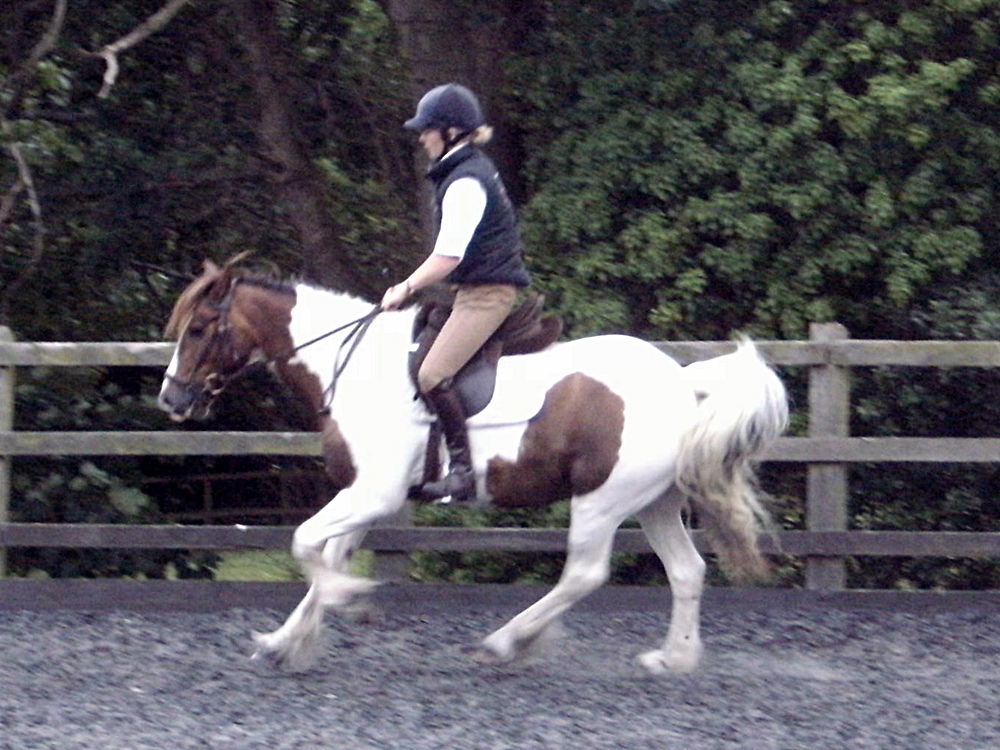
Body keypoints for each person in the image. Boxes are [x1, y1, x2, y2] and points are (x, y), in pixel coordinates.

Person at [382, 83, 531, 503]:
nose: (421, 138)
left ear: (450, 132)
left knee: (432, 374)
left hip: (487, 296)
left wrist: (405, 287)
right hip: (469, 293)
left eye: (426, 130)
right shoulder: (463, 170)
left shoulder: (465, 181)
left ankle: (462, 473)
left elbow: (448, 256)